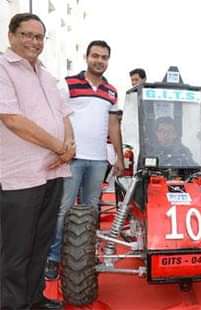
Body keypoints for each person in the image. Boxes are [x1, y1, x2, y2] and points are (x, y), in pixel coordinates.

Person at [0, 13, 75, 309]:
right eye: (27, 35)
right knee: (15, 250)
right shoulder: (3, 68)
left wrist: (69, 145)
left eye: (39, 36)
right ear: (11, 36)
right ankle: (11, 304)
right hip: (20, 176)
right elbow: (12, 119)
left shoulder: (47, 74)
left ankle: (33, 300)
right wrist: (59, 146)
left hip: (53, 173)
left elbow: (64, 115)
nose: (33, 41)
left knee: (40, 243)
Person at [45, 40, 124, 280]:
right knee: (63, 210)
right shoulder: (69, 84)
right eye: (95, 56)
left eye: (104, 57)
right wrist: (61, 148)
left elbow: (113, 125)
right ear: (86, 57)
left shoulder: (112, 91)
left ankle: (86, 254)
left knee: (91, 210)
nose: (99, 60)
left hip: (99, 160)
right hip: (73, 157)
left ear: (108, 60)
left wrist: (119, 157)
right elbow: (54, 115)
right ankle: (54, 257)